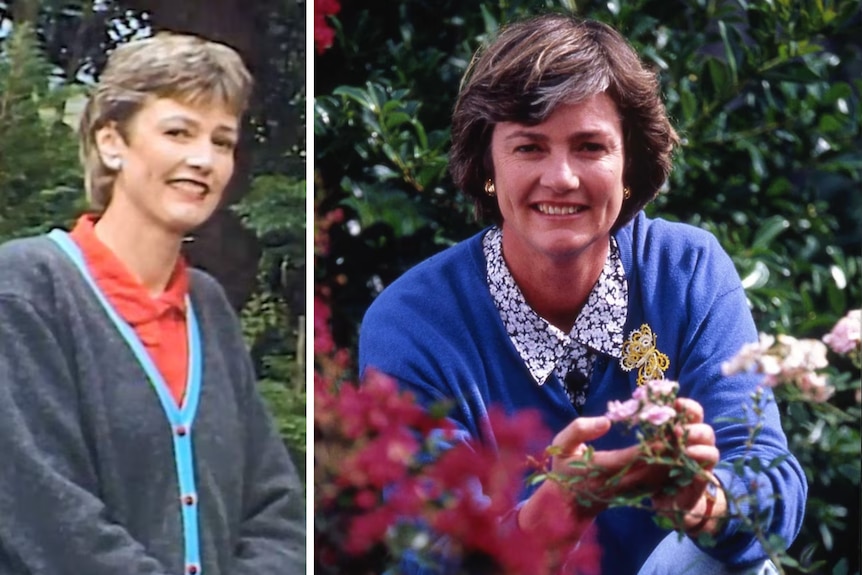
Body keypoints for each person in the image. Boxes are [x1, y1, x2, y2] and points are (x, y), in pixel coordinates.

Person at [358, 14, 806, 575]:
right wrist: (554, 514)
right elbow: (425, 548)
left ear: (630, 167)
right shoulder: (410, 323)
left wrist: (706, 501)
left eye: (590, 147)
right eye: (529, 148)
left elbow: (768, 474)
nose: (562, 177)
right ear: (488, 165)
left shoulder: (686, 270)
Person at [0, 33, 304, 574]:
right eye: (177, 132)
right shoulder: (25, 287)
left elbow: (275, 508)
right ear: (112, 142)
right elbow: (44, 508)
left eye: (222, 140)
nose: (202, 159)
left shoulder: (208, 308)